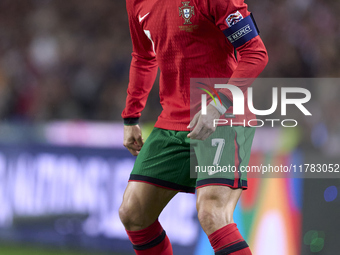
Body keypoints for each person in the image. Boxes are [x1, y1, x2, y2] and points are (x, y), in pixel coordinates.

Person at [119, 0, 268, 253]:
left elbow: (255, 53)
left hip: (224, 118)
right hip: (172, 121)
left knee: (212, 214)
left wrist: (219, 103)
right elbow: (143, 56)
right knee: (133, 213)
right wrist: (131, 116)